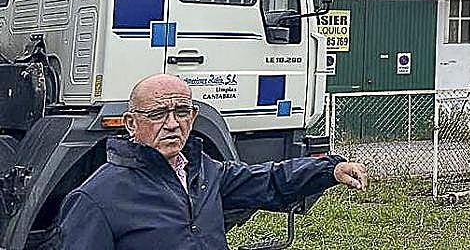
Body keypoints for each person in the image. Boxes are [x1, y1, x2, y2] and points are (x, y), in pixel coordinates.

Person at [58, 73, 369, 249]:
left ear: (193, 116)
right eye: (157, 114)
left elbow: (270, 180)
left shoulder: (204, 172)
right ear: (130, 123)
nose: (172, 124)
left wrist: (331, 169)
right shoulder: (96, 198)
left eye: (181, 112)